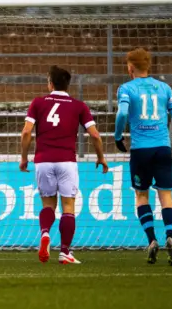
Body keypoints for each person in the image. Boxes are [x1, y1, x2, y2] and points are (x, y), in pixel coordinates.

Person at [20, 66, 108, 265]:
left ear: (50, 83)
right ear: (68, 84)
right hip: (67, 161)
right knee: (68, 207)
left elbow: (26, 132)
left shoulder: (38, 102)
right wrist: (101, 157)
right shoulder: (79, 106)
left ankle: (44, 234)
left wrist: (24, 157)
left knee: (48, 205)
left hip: (43, 160)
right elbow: (94, 134)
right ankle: (65, 252)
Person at [114, 47, 172, 266]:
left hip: (141, 150)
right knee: (166, 196)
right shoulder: (164, 88)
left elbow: (123, 113)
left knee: (141, 196)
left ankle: (152, 240)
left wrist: (118, 137)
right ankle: (170, 236)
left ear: (130, 67)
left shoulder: (126, 88)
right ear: (149, 66)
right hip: (163, 147)